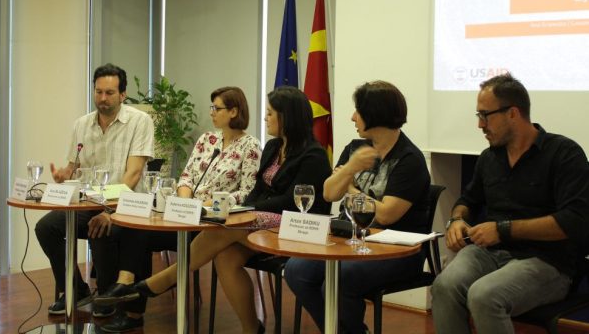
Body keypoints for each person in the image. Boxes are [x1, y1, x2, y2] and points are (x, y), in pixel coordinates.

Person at [102, 86, 332, 334]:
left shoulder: (313, 155)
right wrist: (245, 207)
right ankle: (251, 328)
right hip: (257, 220)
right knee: (226, 257)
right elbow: (256, 189)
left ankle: (160, 282)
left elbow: (290, 201)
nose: (265, 118)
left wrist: (246, 208)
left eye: (270, 113)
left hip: (294, 226)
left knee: (224, 226)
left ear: (287, 117)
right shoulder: (274, 147)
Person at [431, 73, 589, 334]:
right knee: (443, 286)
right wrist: (457, 219)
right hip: (489, 253)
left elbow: (573, 222)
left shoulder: (564, 154)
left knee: (485, 296)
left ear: (513, 113)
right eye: (478, 116)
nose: (480, 125)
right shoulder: (489, 158)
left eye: (485, 115)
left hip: (548, 261)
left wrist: (503, 230)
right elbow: (467, 200)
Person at [94, 86, 262, 332]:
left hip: (211, 224)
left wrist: (207, 203)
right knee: (135, 231)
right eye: (212, 107)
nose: (212, 112)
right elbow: (186, 177)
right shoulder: (207, 140)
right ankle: (129, 300)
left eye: (217, 108)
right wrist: (186, 201)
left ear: (234, 111)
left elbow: (246, 193)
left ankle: (139, 295)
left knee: (138, 235)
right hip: (185, 214)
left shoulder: (251, 146)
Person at [284, 81, 430, 334]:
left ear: (375, 114)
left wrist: (351, 188)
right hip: (348, 237)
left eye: (358, 111)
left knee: (340, 278)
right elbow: (329, 193)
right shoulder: (355, 149)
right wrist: (351, 167)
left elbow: (386, 215)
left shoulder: (409, 159)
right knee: (296, 270)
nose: (352, 117)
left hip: (396, 250)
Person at [34, 64, 154, 316]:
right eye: (98, 92)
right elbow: (74, 167)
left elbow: (133, 174)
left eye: (109, 93)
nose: (102, 98)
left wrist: (108, 211)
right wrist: (64, 175)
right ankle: (76, 290)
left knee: (99, 227)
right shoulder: (82, 124)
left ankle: (107, 296)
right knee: (46, 227)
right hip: (90, 203)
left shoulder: (139, 121)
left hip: (128, 206)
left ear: (123, 94)